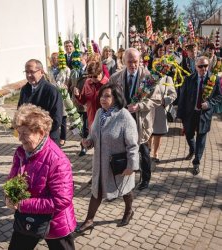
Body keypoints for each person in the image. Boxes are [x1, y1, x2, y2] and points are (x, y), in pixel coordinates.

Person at [7, 104, 76, 250]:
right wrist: (10, 195)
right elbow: (12, 178)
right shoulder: (21, 152)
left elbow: (61, 200)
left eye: (24, 134)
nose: (20, 139)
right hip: (28, 218)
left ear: (40, 132)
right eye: (18, 133)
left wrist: (22, 204)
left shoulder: (57, 160)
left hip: (56, 222)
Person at [75, 83, 140, 234]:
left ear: (116, 98)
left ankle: (129, 211)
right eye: (102, 96)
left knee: (125, 189)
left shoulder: (124, 116)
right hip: (100, 163)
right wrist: (88, 142)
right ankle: (89, 220)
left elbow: (133, 145)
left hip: (118, 164)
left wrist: (131, 165)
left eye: (107, 96)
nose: (103, 99)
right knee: (96, 190)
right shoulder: (99, 113)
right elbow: (94, 136)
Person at [108, 48, 162, 190]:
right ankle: (122, 179)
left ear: (140, 60)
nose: (133, 65)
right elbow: (110, 98)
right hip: (122, 121)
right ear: (123, 61)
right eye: (129, 62)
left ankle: (145, 179)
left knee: (143, 151)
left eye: (135, 61)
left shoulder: (149, 77)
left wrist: (140, 106)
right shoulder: (115, 78)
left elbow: (156, 100)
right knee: (122, 150)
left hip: (141, 121)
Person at [177, 56, 222, 175]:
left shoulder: (214, 79)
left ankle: (196, 162)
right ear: (196, 67)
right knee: (189, 135)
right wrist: (180, 114)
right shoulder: (189, 79)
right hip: (190, 113)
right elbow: (182, 97)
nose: (203, 68)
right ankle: (193, 149)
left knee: (201, 138)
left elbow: (219, 96)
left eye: (206, 66)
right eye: (200, 66)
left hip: (204, 114)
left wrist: (209, 103)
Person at [18, 59, 63, 145]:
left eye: (32, 72)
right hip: (29, 140)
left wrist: (38, 133)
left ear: (41, 72)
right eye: (26, 72)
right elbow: (20, 111)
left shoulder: (51, 91)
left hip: (47, 139)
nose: (28, 75)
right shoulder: (24, 89)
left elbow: (56, 120)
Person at [73, 60, 109, 129]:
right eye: (90, 76)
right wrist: (77, 95)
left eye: (95, 76)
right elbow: (83, 101)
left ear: (101, 73)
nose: (93, 79)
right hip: (91, 119)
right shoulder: (87, 82)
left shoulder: (107, 83)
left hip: (105, 120)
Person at [149, 75, 177, 162]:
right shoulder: (149, 74)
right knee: (148, 132)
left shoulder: (168, 78)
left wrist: (165, 101)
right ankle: (148, 150)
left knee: (158, 133)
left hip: (160, 109)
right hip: (148, 109)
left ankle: (155, 153)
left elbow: (173, 94)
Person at [48, 52, 70, 146]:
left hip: (62, 95)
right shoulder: (49, 69)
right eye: (52, 58)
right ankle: (53, 135)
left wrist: (65, 87)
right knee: (53, 116)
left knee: (63, 117)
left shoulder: (65, 69)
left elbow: (68, 82)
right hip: (52, 95)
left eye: (56, 58)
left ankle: (63, 137)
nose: (54, 60)